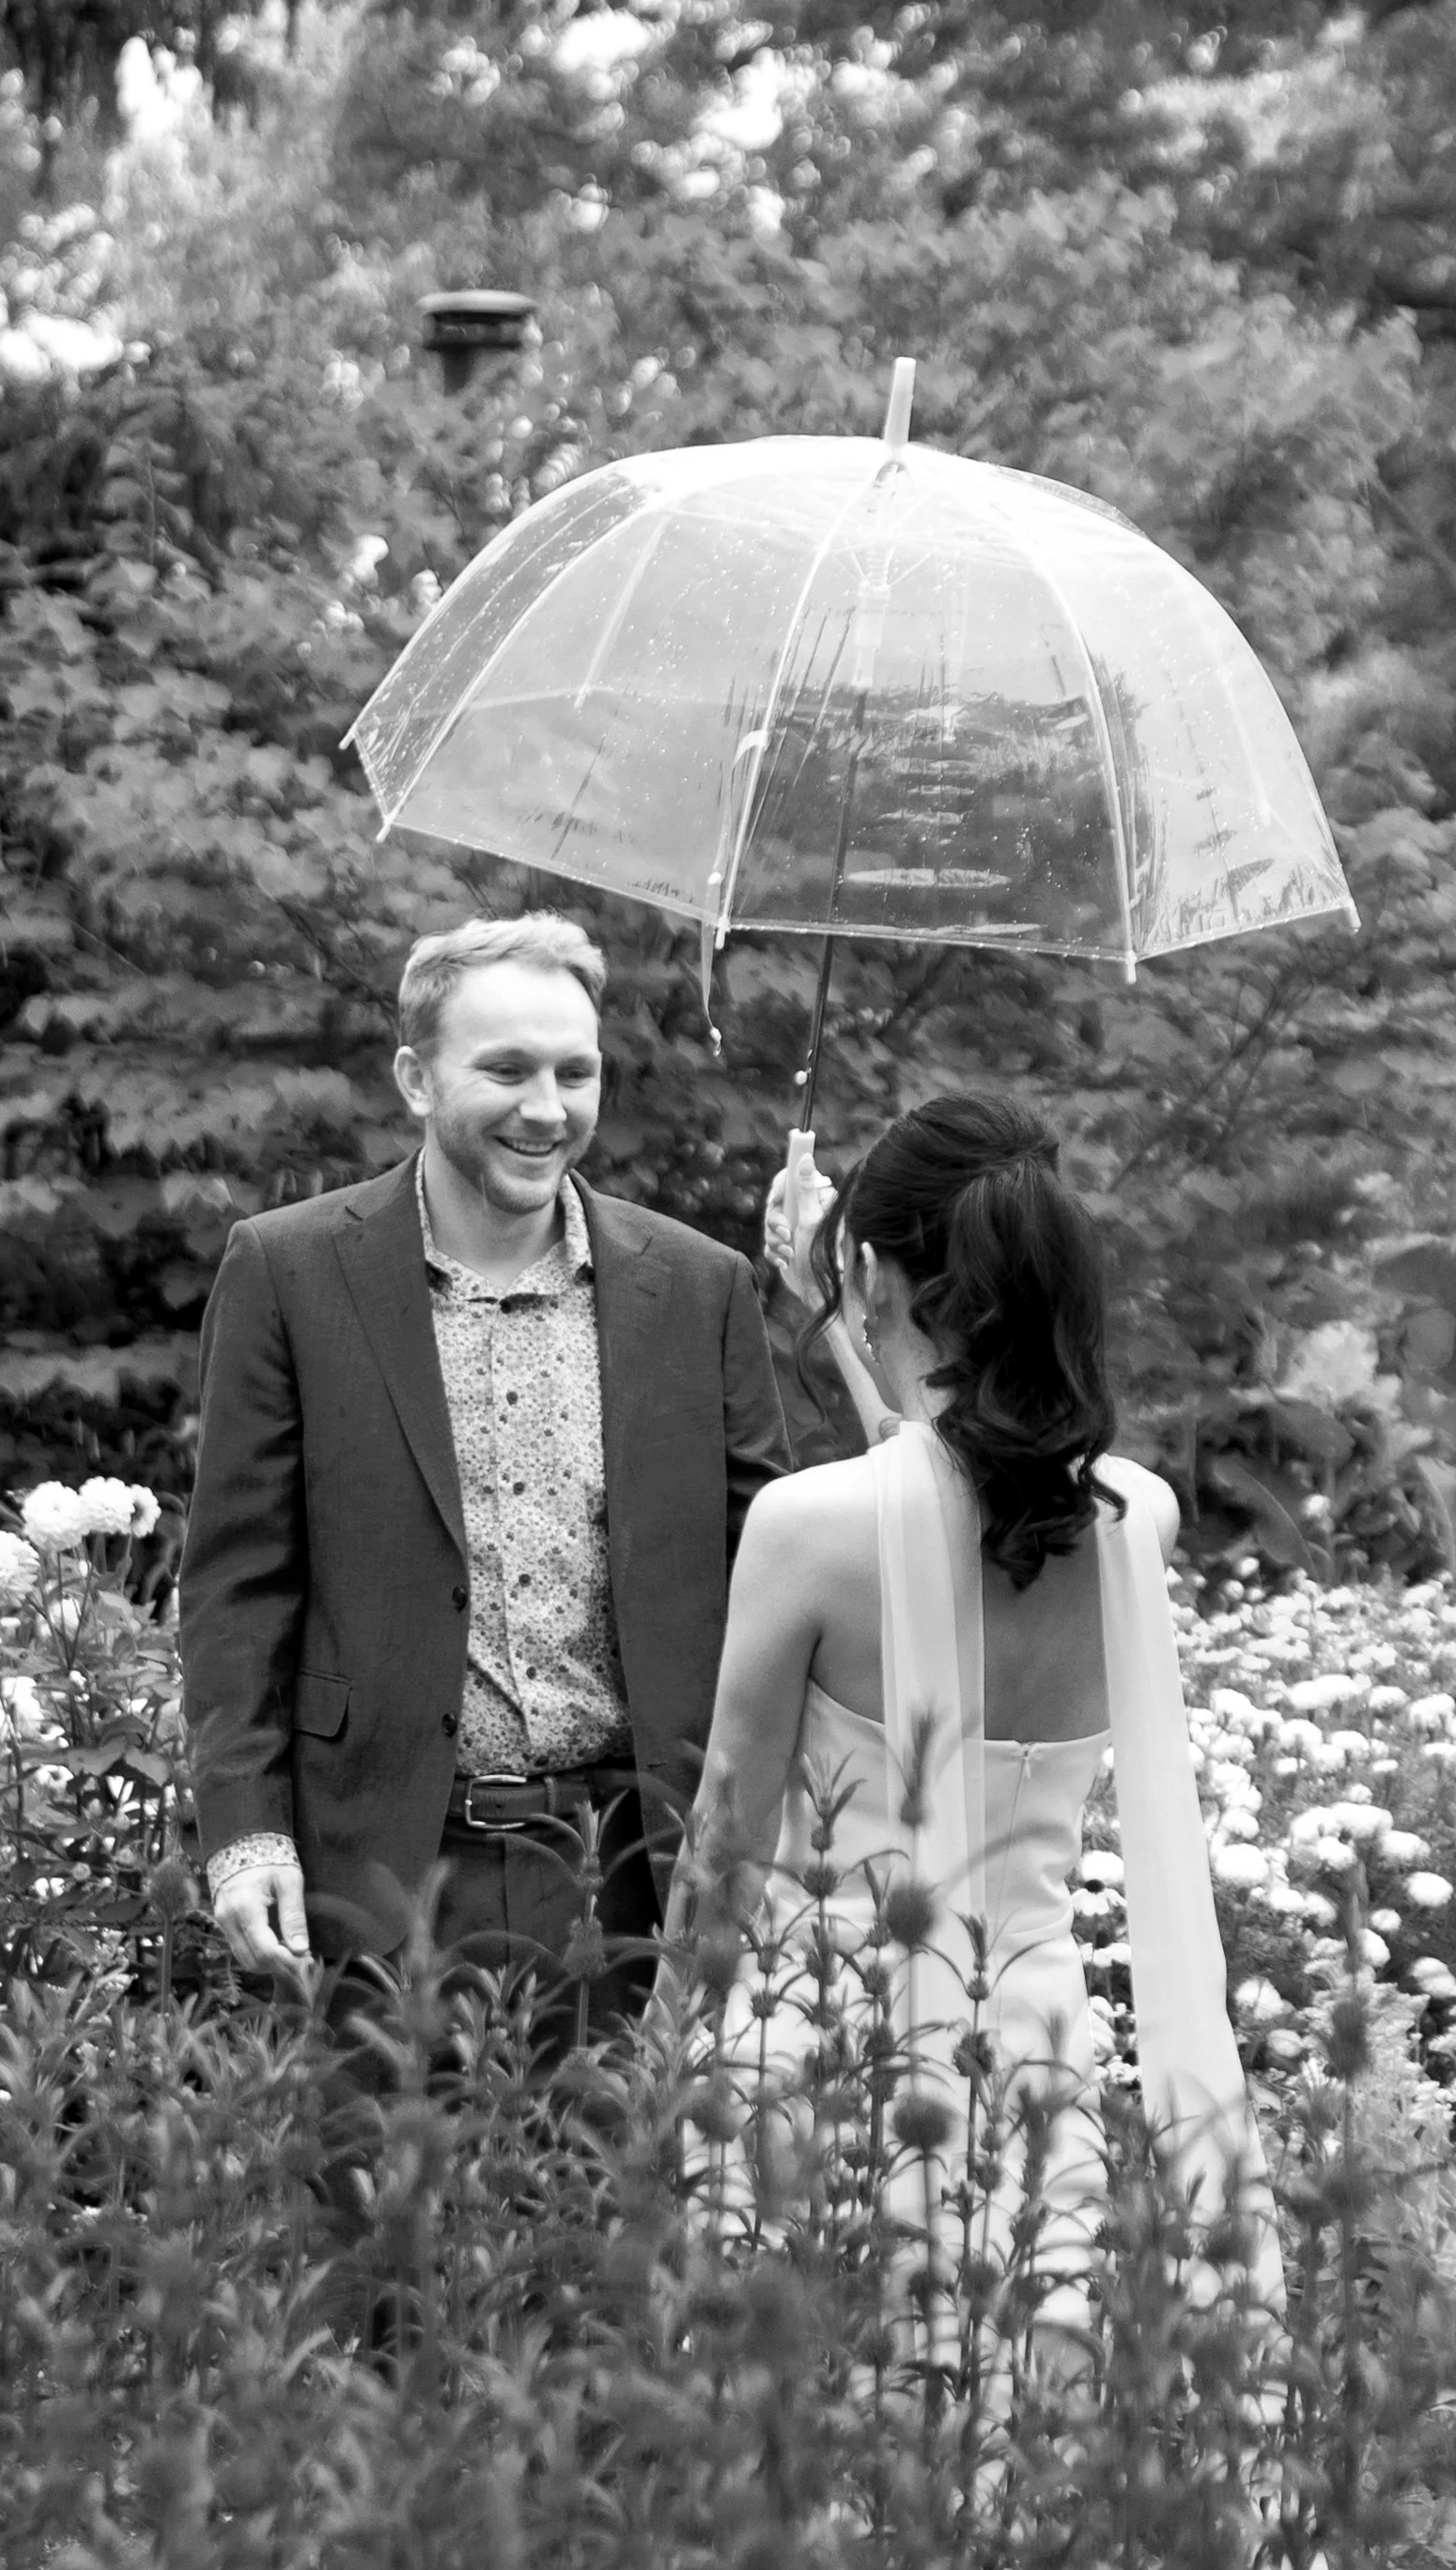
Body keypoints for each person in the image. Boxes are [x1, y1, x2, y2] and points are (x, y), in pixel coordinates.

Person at [679, 1097, 1279, 2361]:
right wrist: (839, 1301)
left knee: (808, 2459)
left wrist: (657, 2073)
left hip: (826, 2046)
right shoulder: (1138, 1520)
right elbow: (953, 1496)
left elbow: (724, 1844)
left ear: (886, 1275)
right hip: (1032, 2053)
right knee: (1001, 2459)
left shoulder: (806, 1527)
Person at [178, 912, 790, 2029]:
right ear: (416, 1076)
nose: (547, 1109)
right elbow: (237, 1586)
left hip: (641, 1881)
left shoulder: (702, 1290)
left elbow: (777, 1576)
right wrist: (245, 1830)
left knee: (626, 2203)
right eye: (506, 1069)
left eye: (576, 1071)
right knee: (376, 2204)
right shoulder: (289, 1270)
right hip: (369, 1870)